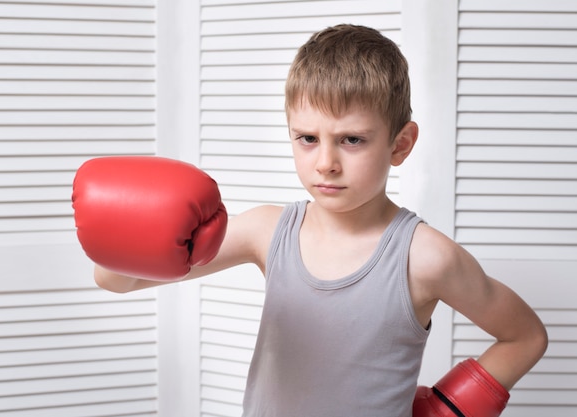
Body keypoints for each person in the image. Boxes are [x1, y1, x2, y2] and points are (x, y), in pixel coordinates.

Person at [73, 24, 548, 417]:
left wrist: (449, 407)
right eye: (306, 138)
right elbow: (117, 281)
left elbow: (525, 336)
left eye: (352, 140)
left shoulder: (425, 257)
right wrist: (133, 228)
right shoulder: (268, 232)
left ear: (400, 145)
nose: (325, 163)